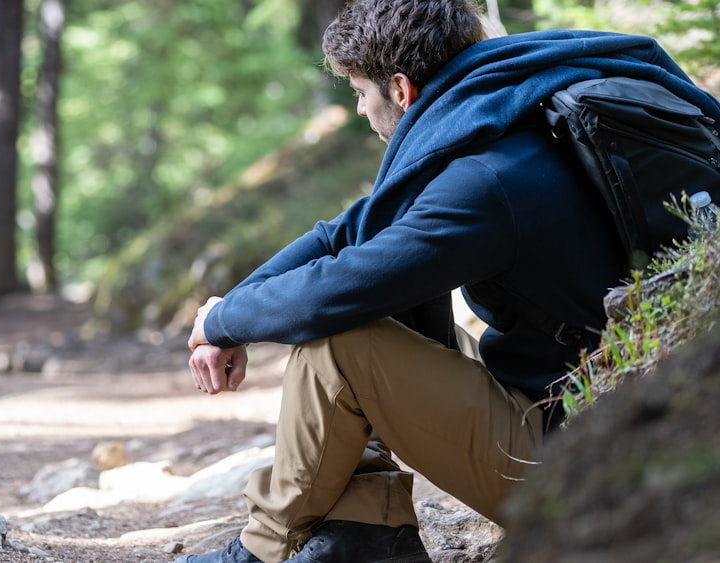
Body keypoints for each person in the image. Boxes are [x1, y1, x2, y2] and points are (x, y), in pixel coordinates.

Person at [177, 1, 720, 562]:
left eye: (361, 93)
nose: (361, 111)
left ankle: (264, 548)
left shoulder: (482, 186)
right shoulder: (514, 123)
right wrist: (225, 315)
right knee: (371, 309)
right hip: (595, 415)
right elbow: (345, 233)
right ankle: (365, 533)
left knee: (340, 341)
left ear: (401, 89)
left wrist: (224, 321)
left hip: (577, 469)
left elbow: (338, 288)